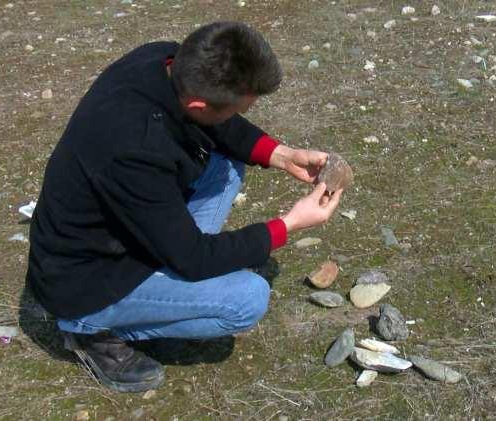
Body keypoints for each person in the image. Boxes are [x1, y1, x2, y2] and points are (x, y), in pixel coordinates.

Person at [26, 21, 343, 392]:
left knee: (225, 163)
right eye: (243, 106)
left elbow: (219, 124)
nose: (246, 110)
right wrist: (288, 225)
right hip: (85, 281)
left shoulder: (162, 59)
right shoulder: (134, 149)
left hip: (131, 225)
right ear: (197, 103)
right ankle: (87, 331)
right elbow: (193, 257)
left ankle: (169, 275)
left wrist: (282, 154)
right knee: (246, 299)